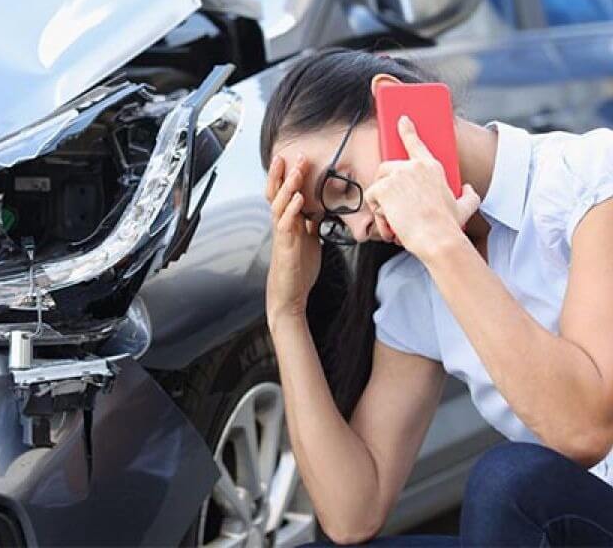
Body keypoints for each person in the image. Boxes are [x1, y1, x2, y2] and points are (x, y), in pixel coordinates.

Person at [261, 48, 613, 546]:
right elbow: (352, 512)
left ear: (393, 102)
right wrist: (285, 311)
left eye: (342, 186)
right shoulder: (414, 283)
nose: (359, 228)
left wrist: (443, 242)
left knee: (509, 482)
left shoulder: (591, 181)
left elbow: (584, 431)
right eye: (332, 221)